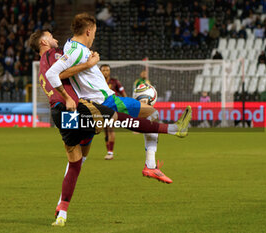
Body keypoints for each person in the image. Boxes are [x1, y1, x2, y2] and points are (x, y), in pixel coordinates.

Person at [31, 29, 191, 227]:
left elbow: (55, 76)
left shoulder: (40, 69)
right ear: (45, 41)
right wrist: (88, 64)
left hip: (60, 115)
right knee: (124, 118)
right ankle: (171, 133)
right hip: (78, 107)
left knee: (77, 161)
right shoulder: (53, 54)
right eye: (51, 36)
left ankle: (61, 210)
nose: (56, 39)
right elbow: (59, 71)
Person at [46, 13, 191, 190]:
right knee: (153, 113)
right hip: (105, 101)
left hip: (89, 107)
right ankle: (152, 163)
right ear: (89, 31)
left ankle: (62, 206)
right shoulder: (78, 51)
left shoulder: (70, 44)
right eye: (95, 33)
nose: (94, 37)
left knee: (79, 159)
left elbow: (63, 71)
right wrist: (88, 65)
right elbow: (55, 74)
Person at [100, 64, 127, 160]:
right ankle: (108, 151)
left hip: (113, 108)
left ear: (109, 71)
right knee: (106, 131)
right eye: (103, 70)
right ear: (100, 71)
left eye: (107, 70)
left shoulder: (115, 82)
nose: (105, 72)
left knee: (110, 128)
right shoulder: (98, 82)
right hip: (102, 108)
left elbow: (123, 94)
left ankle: (110, 152)